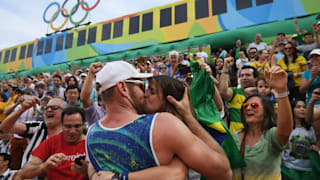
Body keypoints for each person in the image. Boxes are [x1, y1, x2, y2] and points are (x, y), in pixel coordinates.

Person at [86, 61, 231, 180]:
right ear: (122, 88)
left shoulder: (91, 135)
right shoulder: (163, 124)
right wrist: (176, 168)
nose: (144, 93)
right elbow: (223, 172)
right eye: (141, 86)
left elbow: (95, 173)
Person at [232, 61, 293, 180]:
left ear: (265, 112)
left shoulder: (271, 136)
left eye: (254, 105)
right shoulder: (233, 138)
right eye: (245, 106)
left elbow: (285, 131)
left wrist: (281, 92)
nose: (248, 108)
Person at [17, 107, 87, 180]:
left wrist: (88, 171)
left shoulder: (91, 144)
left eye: (77, 126)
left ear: (83, 125)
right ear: (62, 126)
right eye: (68, 126)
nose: (72, 131)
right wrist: (44, 166)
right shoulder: (51, 142)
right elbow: (25, 172)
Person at [0, 97, 65, 169]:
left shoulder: (71, 133)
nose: (49, 110)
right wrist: (22, 109)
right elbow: (4, 128)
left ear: (65, 112)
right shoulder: (37, 127)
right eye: (46, 107)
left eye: (55, 108)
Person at [219, 57, 259, 133]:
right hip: (237, 139)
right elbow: (223, 91)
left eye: (248, 75)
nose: (244, 78)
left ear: (256, 78)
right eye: (241, 76)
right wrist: (225, 68)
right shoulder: (235, 92)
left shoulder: (262, 94)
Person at [281, 99, 317, 180]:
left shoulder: (310, 129)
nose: (302, 109)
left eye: (304, 107)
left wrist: (314, 147)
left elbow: (314, 144)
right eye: (298, 107)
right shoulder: (286, 128)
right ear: (292, 109)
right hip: (289, 169)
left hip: (307, 170)